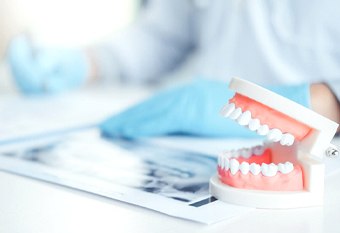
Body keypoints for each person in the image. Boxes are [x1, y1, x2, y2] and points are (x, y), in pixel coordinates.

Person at [7, 0, 340, 139]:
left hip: (314, 157)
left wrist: (285, 109)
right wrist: (88, 62)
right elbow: (163, 35)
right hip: (195, 147)